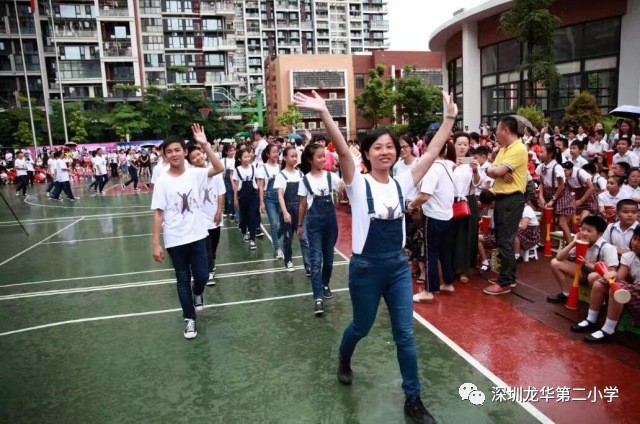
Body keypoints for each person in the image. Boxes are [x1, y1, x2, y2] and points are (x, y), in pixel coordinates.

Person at [294, 89, 457, 424]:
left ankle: (413, 399)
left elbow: (434, 152)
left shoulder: (403, 182)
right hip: (366, 269)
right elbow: (341, 148)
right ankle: (344, 357)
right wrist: (326, 113)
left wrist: (451, 118)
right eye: (378, 147)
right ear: (367, 153)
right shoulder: (357, 183)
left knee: (405, 335)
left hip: (397, 267)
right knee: (362, 326)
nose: (385, 151)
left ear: (397, 152)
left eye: (390, 146)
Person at [151, 125, 224, 339]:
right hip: (175, 239)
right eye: (169, 151)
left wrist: (204, 144)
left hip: (199, 235)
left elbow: (218, 168)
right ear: (165, 155)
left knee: (201, 276)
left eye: (177, 150)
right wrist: (156, 243)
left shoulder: (196, 174)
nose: (174, 154)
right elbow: (158, 213)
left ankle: (198, 292)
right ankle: (189, 319)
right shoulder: (162, 180)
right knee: (182, 279)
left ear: (184, 152)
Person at [483, 116, 528, 295]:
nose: (495, 133)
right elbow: (490, 169)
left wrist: (499, 172)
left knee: (505, 241)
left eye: (497, 130)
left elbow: (497, 170)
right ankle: (507, 277)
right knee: (503, 239)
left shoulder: (519, 148)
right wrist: (497, 172)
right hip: (502, 198)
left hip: (512, 198)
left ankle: (505, 282)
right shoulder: (504, 150)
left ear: (505, 131)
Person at [573, 226, 640, 343]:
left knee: (617, 289)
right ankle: (591, 320)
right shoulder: (629, 256)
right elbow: (619, 277)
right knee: (600, 283)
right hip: (635, 289)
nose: (635, 243)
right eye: (635, 239)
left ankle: (609, 331)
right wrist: (613, 274)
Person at [297, 142, 341, 315]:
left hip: (331, 224)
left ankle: (325, 284)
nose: (323, 159)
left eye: (325, 156)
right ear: (310, 159)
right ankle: (318, 298)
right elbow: (302, 205)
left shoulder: (331, 177)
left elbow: (344, 188)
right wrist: (300, 226)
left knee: (329, 259)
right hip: (314, 225)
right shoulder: (305, 180)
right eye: (320, 156)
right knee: (316, 261)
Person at [547, 215, 618, 304]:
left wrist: (587, 264)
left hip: (598, 278)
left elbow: (611, 272)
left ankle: (598, 304)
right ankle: (566, 294)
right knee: (555, 262)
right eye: (583, 229)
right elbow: (559, 257)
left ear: (599, 234)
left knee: (593, 276)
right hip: (583, 273)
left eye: (589, 231)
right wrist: (574, 242)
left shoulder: (607, 248)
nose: (584, 233)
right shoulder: (581, 242)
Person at [186, 143, 225, 285]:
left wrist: (219, 212)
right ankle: (208, 271)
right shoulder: (191, 175)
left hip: (214, 215)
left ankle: (211, 263)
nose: (198, 158)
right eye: (193, 157)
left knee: (213, 245)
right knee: (205, 245)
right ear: (190, 162)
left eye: (198, 154)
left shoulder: (214, 172)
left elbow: (221, 193)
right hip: (200, 217)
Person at [450, 132, 481, 283]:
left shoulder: (472, 162)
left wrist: (475, 171)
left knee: (467, 235)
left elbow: (476, 184)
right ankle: (450, 267)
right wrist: (453, 167)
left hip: (468, 202)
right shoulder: (448, 162)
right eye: (459, 144)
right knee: (452, 235)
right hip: (450, 202)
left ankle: (464, 269)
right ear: (453, 144)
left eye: (465, 144)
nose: (462, 147)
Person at [275, 146, 310, 272]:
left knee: (304, 238)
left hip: (301, 211)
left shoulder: (301, 174)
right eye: (292, 156)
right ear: (285, 158)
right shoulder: (281, 175)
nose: (295, 158)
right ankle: (288, 260)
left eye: (296, 156)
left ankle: (308, 265)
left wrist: (307, 207)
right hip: (288, 211)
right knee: (288, 238)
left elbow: (305, 194)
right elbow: (280, 195)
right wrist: (284, 213)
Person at [537, 143, 574, 245]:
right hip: (548, 194)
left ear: (550, 154)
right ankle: (543, 243)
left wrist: (552, 200)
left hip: (561, 195)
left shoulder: (557, 167)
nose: (539, 154)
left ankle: (570, 247)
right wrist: (541, 196)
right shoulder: (541, 167)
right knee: (544, 219)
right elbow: (541, 184)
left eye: (542, 152)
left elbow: (561, 186)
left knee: (562, 222)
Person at [258, 144, 283, 259]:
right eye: (273, 152)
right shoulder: (262, 168)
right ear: (268, 154)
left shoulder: (281, 167)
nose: (276, 154)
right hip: (270, 199)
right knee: (274, 223)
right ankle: (277, 248)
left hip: (282, 198)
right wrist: (262, 202)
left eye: (277, 152)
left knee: (284, 224)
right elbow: (261, 187)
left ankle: (275, 238)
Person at [233, 148, 260, 250]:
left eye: (248, 156)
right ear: (240, 159)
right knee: (243, 218)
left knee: (252, 217)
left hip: (253, 196)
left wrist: (259, 191)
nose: (248, 158)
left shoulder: (254, 168)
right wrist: (235, 199)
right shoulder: (237, 170)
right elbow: (236, 186)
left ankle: (253, 239)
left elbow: (258, 181)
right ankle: (244, 231)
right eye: (245, 157)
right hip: (242, 197)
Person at [221, 144, 236, 221]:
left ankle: (228, 210)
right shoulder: (223, 160)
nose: (233, 152)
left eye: (234, 150)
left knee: (233, 195)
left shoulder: (236, 159)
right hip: (227, 180)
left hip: (235, 178)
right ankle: (231, 212)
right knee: (229, 196)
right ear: (226, 152)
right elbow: (222, 172)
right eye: (231, 151)